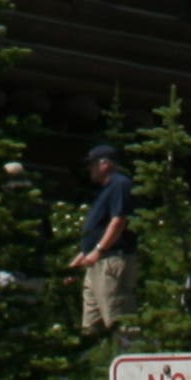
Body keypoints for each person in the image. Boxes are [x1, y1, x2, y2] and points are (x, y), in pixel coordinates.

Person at [72, 141, 141, 332]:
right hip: (96, 261)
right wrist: (83, 255)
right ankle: (96, 358)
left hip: (111, 259)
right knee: (91, 325)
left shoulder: (120, 184)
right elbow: (99, 228)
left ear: (105, 164)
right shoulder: (104, 190)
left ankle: (130, 356)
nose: (90, 169)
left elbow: (118, 221)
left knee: (118, 318)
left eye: (92, 164)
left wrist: (99, 250)